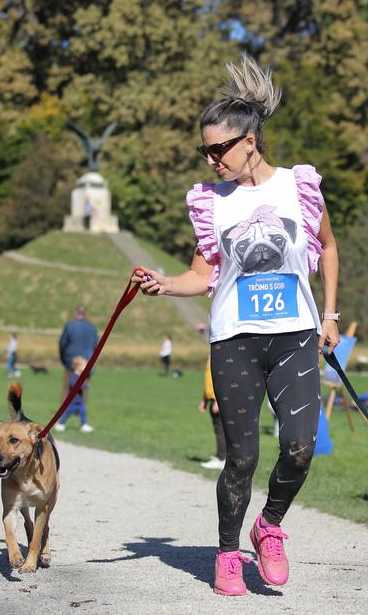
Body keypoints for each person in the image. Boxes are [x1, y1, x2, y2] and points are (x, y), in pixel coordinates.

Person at [130, 54, 340, 596]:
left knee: (300, 446)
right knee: (241, 456)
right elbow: (202, 276)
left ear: (250, 141)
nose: (211, 159)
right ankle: (227, 553)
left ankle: (269, 526)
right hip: (234, 341)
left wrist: (330, 314)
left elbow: (328, 247)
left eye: (218, 148)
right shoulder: (211, 202)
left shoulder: (299, 186)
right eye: (205, 150)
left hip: (295, 335)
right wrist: (162, 282)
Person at [59, 306, 98, 402]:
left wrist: (64, 360)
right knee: (84, 388)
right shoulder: (92, 328)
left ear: (76, 313)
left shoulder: (70, 326)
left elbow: (62, 344)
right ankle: (81, 407)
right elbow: (95, 346)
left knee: (67, 388)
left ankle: (65, 408)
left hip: (72, 362)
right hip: (87, 363)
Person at [199, 356, 226, 470]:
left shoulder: (221, 356)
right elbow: (209, 380)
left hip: (218, 400)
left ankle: (222, 459)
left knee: (221, 430)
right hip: (211, 399)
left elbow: (224, 379)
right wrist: (204, 400)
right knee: (217, 429)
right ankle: (220, 455)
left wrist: (218, 400)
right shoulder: (211, 355)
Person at [54, 356, 94, 432]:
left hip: (80, 401)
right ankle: (61, 424)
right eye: (84, 366)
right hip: (73, 401)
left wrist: (85, 385)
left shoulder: (81, 376)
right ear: (78, 367)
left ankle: (83, 425)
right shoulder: (73, 376)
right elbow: (74, 384)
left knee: (83, 412)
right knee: (67, 413)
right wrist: (84, 385)